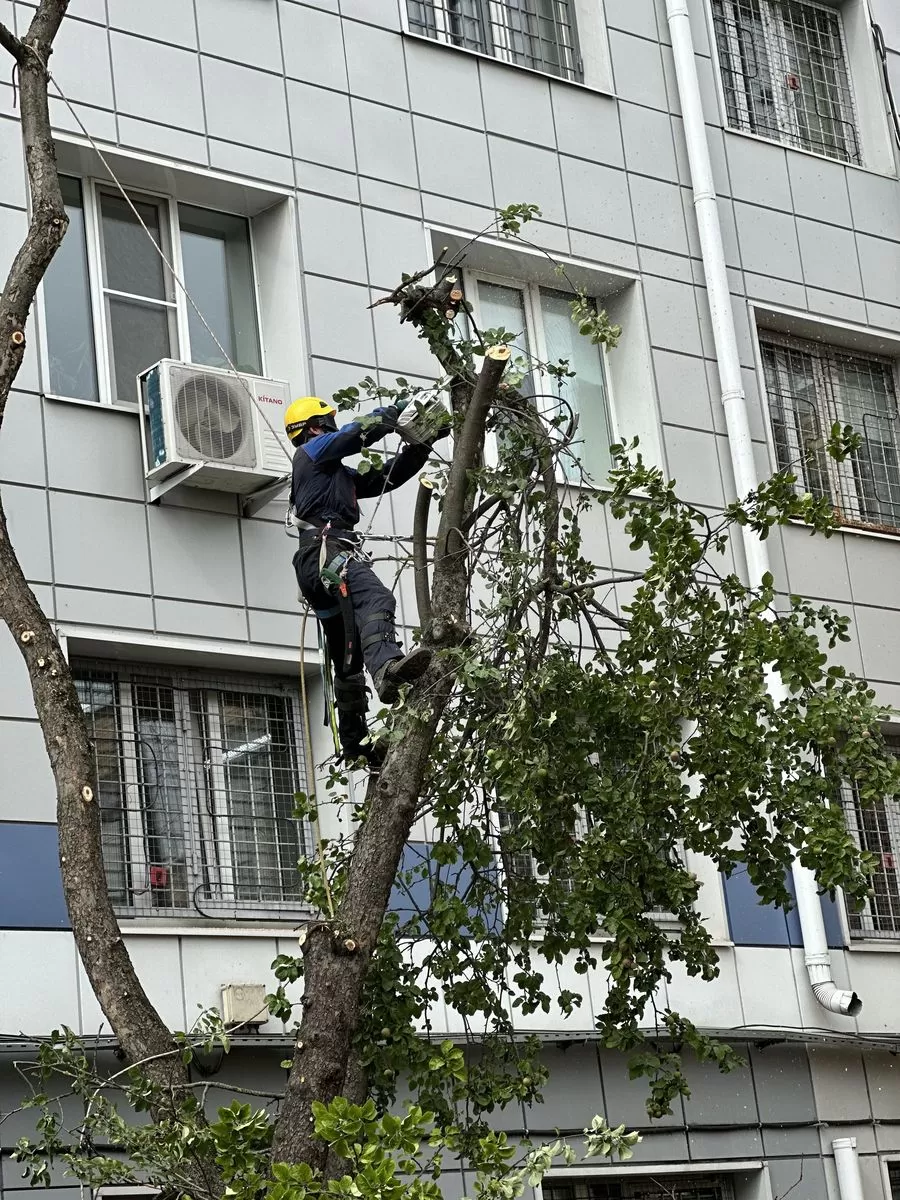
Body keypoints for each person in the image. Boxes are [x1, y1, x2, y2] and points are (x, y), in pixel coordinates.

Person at [285, 395, 439, 767]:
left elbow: (385, 477)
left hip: (316, 562)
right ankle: (387, 668)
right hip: (328, 552)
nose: (334, 427)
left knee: (347, 657)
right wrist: (397, 410)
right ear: (315, 427)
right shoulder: (312, 452)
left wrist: (422, 444)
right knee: (377, 600)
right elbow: (359, 433)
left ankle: (356, 746)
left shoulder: (334, 473)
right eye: (328, 421)